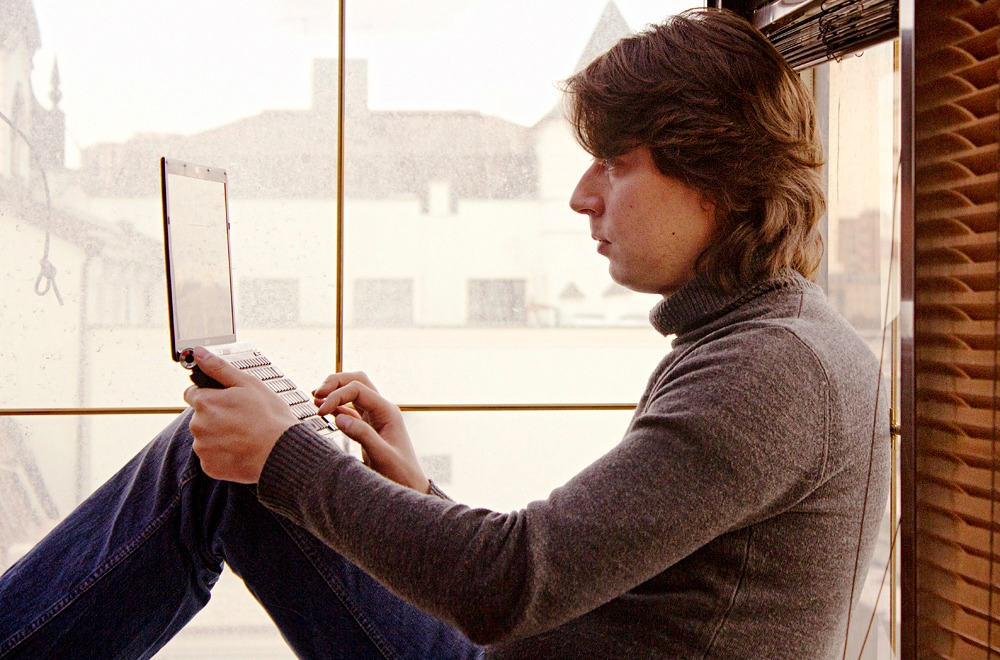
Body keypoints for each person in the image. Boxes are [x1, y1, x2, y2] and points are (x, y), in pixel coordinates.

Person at [0, 8, 890, 659]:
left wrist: (286, 458)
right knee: (233, 464)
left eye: (616, 165)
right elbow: (565, 574)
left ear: (717, 178)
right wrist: (415, 490)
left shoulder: (770, 370)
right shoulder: (770, 342)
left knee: (223, 469)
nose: (581, 196)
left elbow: (509, 585)